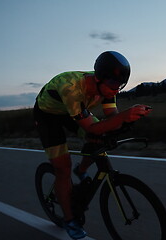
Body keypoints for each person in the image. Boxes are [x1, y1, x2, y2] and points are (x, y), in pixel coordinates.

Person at [33, 51, 152, 239]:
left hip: (72, 111)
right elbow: (94, 128)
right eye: (114, 85)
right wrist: (122, 117)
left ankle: (81, 170)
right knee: (63, 168)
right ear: (98, 78)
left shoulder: (109, 83)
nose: (117, 90)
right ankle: (69, 220)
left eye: (121, 85)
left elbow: (112, 114)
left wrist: (127, 120)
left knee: (100, 137)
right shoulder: (71, 88)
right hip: (48, 116)